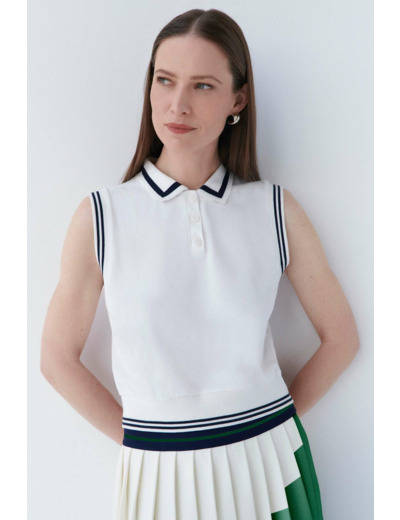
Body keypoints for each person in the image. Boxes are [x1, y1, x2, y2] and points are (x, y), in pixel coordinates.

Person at [40, 8, 360, 520]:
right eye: (165, 80)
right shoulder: (102, 216)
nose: (178, 104)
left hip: (271, 471)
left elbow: (342, 337)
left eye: (203, 86)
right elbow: (56, 357)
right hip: (159, 477)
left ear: (238, 99)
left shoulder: (274, 209)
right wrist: (145, 437)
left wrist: (271, 427)